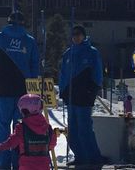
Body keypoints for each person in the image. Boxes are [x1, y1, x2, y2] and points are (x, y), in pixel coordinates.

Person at [0, 11, 41, 170]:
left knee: (2, 126)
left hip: (3, 91)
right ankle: (19, 162)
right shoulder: (29, 41)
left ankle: (2, 163)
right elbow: (34, 66)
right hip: (23, 93)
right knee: (20, 128)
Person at [59, 25, 105, 166]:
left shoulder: (91, 52)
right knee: (72, 130)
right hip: (71, 97)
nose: (76, 37)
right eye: (74, 35)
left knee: (85, 129)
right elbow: (63, 75)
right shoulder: (68, 53)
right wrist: (63, 92)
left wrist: (93, 90)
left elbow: (97, 73)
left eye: (79, 34)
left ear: (84, 36)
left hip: (84, 97)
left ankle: (93, 158)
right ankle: (80, 156)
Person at [0, 94, 57, 170]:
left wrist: (0, 147)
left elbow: (12, 142)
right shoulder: (47, 127)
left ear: (24, 110)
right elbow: (52, 144)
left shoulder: (22, 128)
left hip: (27, 165)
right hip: (44, 165)